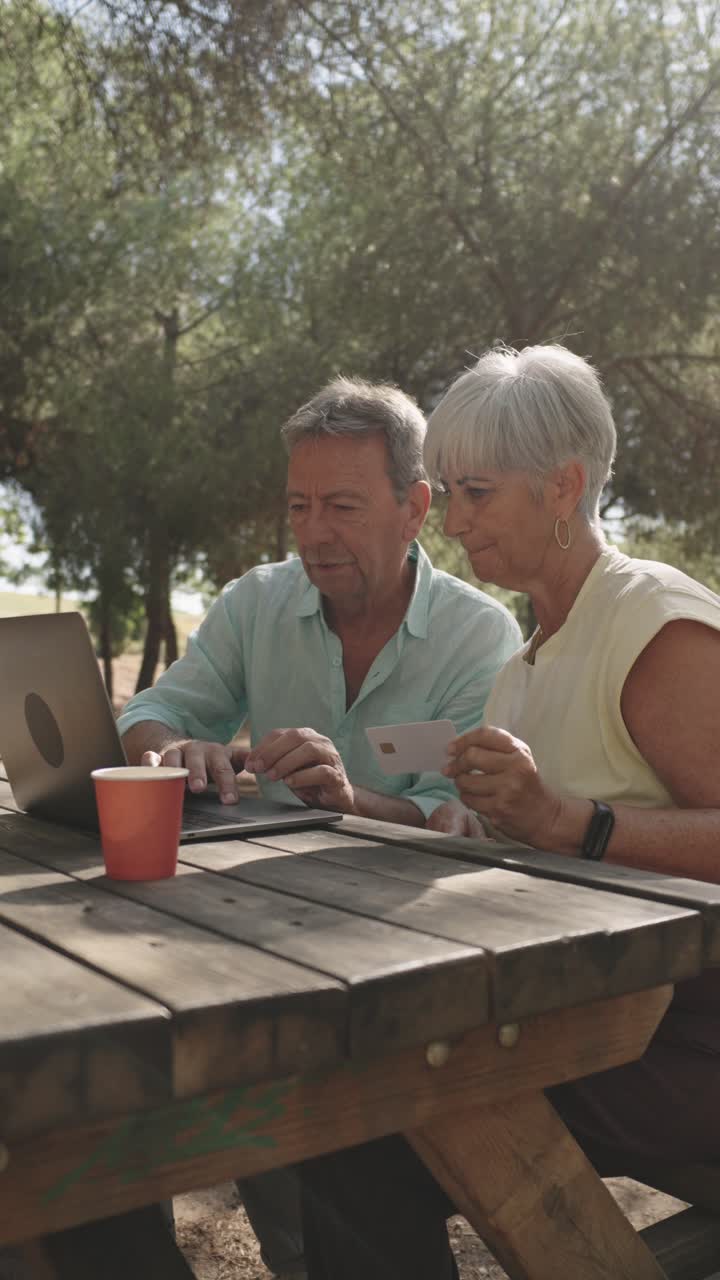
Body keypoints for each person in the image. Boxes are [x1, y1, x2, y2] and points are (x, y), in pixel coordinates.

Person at [296, 343, 720, 1280]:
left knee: (356, 1129)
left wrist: (575, 822)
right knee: (336, 1113)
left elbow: (574, 826)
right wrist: (406, 811)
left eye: (475, 492)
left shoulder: (652, 623)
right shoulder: (526, 661)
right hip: (595, 1007)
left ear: (563, 487)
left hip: (686, 1041)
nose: (450, 521)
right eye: (444, 493)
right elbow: (516, 834)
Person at [117, 375, 522, 1278]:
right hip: (248, 940)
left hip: (407, 968)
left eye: (341, 504)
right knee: (106, 1112)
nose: (312, 532)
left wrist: (356, 801)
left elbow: (470, 820)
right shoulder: (256, 603)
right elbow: (148, 710)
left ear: (416, 507)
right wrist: (177, 747)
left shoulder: (480, 638)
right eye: (299, 504)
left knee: (300, 1141)